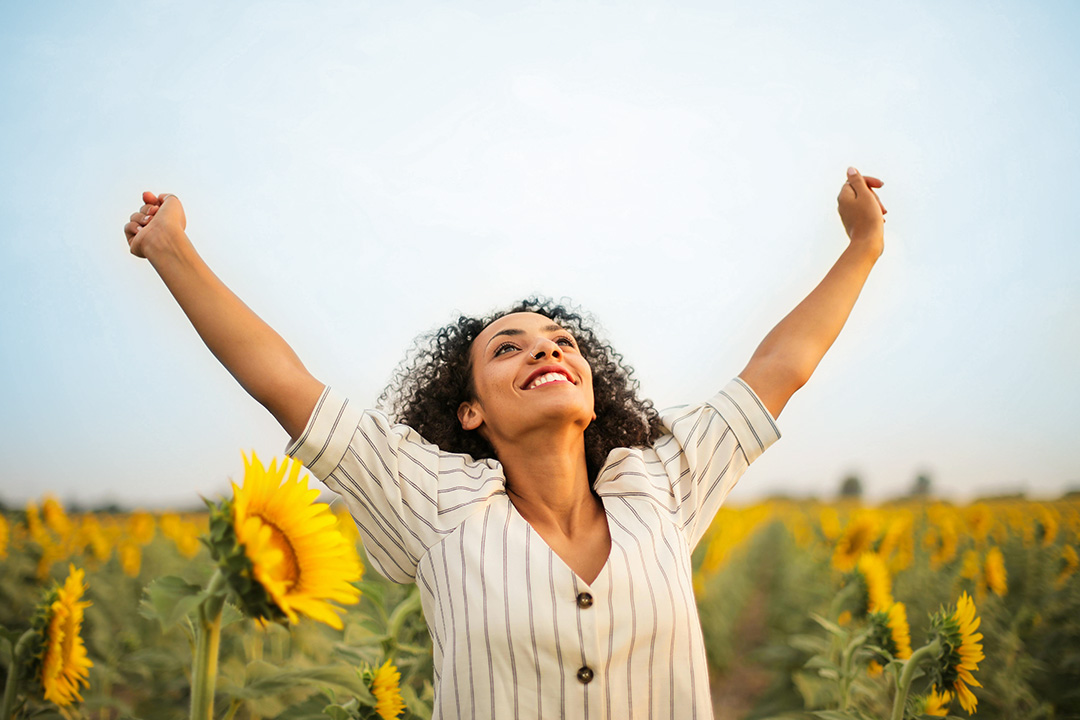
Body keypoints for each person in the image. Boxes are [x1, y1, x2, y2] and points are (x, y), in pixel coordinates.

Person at [122, 167, 886, 719]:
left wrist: (862, 247)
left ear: (593, 391)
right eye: (508, 349)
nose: (547, 352)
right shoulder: (435, 505)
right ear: (469, 414)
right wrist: (172, 250)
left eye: (561, 343)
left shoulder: (660, 483)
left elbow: (781, 369)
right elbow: (283, 383)